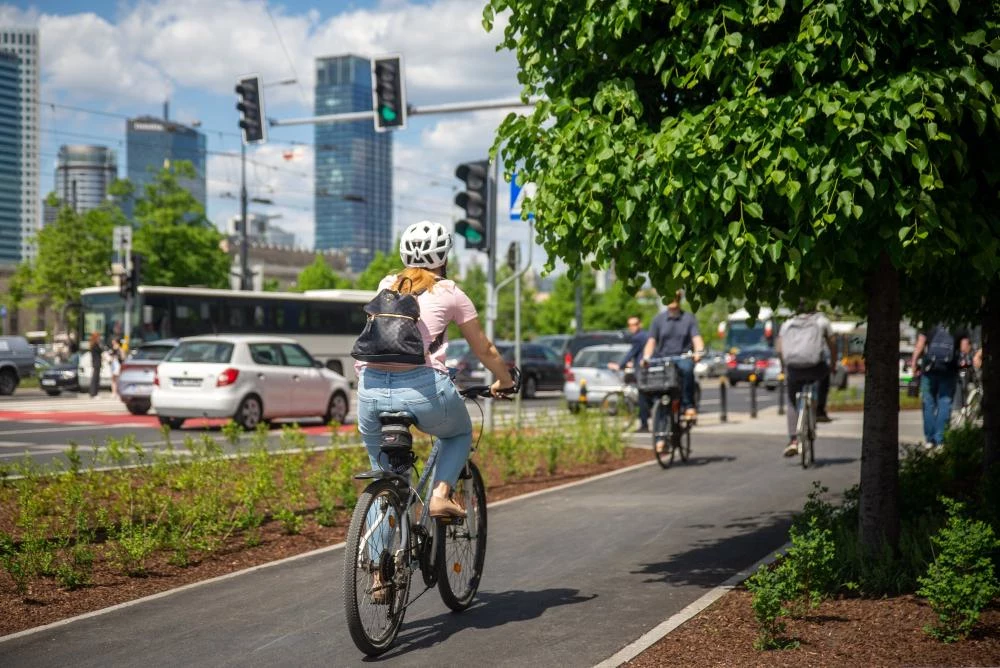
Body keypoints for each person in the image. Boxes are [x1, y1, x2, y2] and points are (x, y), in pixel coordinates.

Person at [355, 220, 515, 519]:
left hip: (370, 388)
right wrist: (504, 381)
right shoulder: (450, 292)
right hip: (424, 389)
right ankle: (440, 495)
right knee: (457, 433)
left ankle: (376, 564)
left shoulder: (386, 285)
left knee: (386, 477)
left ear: (404, 255)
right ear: (444, 257)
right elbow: (484, 349)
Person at [642, 291, 704, 452]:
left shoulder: (688, 318)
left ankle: (688, 405)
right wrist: (646, 357)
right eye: (670, 296)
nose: (673, 300)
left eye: (676, 297)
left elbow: (696, 339)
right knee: (659, 396)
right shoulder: (658, 320)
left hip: (682, 357)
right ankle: (660, 438)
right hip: (663, 359)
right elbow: (651, 341)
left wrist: (698, 352)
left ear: (680, 299)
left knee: (687, 368)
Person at [776, 300, 836, 457]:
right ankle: (820, 410)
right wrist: (833, 365)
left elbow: (779, 347)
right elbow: (833, 344)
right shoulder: (822, 320)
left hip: (794, 368)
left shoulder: (787, 322)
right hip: (815, 367)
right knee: (825, 375)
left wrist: (784, 366)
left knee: (791, 401)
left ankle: (793, 440)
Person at [910, 323, 970, 449]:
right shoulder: (959, 324)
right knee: (945, 402)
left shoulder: (930, 321)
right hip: (949, 370)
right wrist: (964, 368)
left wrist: (914, 363)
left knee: (928, 403)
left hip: (928, 370)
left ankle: (929, 440)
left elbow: (920, 344)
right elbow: (964, 349)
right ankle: (940, 440)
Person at [607, 315, 652, 432]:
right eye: (630, 325)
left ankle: (644, 424)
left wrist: (620, 365)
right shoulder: (646, 336)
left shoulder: (638, 337)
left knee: (642, 396)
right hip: (647, 368)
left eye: (634, 324)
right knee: (648, 395)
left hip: (643, 370)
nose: (631, 327)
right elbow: (639, 354)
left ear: (639, 325)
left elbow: (631, 353)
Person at [88, 331, 103, 398]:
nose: (99, 338)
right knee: (95, 378)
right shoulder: (95, 345)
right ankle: (94, 393)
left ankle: (94, 393)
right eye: (98, 337)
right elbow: (100, 351)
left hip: (96, 363)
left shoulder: (93, 344)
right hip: (97, 363)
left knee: (95, 378)